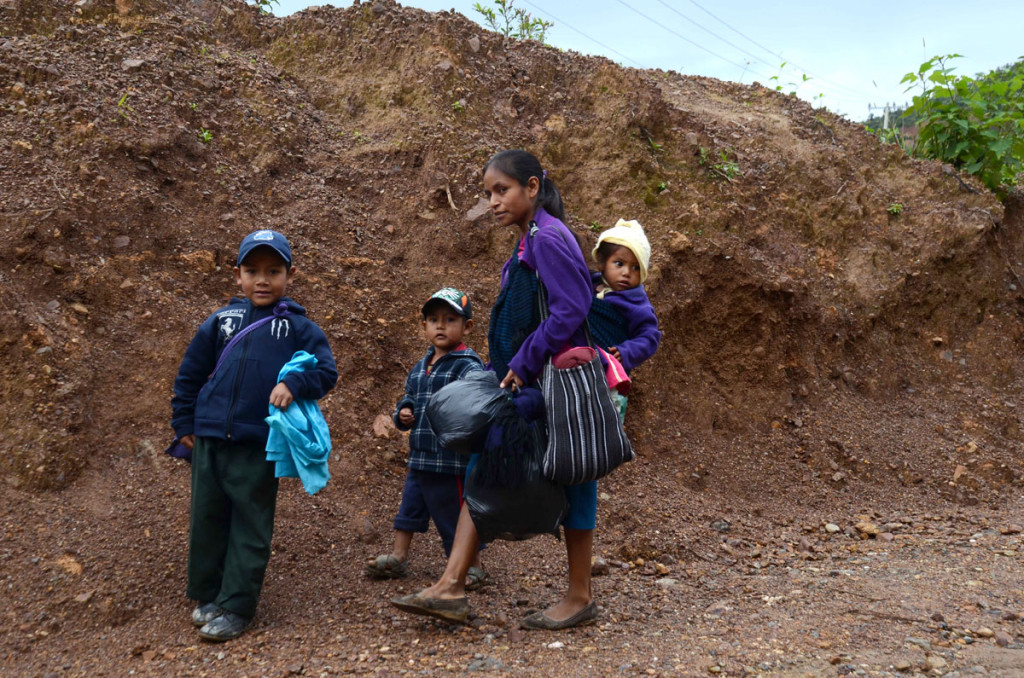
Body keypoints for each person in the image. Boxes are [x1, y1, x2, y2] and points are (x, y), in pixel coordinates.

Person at [391, 149, 600, 630]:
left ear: (531, 187)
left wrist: (523, 362)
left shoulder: (546, 237)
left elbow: (573, 308)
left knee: (572, 477)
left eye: (501, 190)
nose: (493, 201)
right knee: (504, 467)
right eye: (488, 193)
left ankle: (574, 594)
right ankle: (454, 582)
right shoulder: (531, 239)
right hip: (530, 382)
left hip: (551, 385)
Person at [170, 230, 337, 642]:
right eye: (252, 271)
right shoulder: (220, 321)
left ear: (289, 274)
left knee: (250, 523)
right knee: (207, 519)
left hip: (257, 442)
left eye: (273, 271)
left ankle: (237, 605)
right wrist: (184, 424)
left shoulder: (298, 327)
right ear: (237, 276)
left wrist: (295, 383)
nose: (262, 279)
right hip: (209, 436)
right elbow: (190, 375)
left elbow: (326, 371)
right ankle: (208, 595)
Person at [366, 288, 490, 589]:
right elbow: (409, 397)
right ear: (424, 326)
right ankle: (398, 556)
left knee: (452, 514)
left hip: (450, 460)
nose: (440, 326)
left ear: (467, 327)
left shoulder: (467, 365)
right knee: (408, 510)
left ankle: (472, 565)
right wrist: (404, 411)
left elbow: (474, 402)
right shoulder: (420, 367)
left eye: (450, 319)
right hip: (420, 456)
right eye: (433, 319)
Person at [588, 218, 662, 418]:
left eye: (636, 268)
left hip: (612, 375)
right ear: (603, 263)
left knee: (609, 416)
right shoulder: (588, 284)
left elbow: (650, 337)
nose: (626, 273)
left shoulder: (637, 303)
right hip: (583, 365)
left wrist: (626, 351)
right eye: (619, 263)